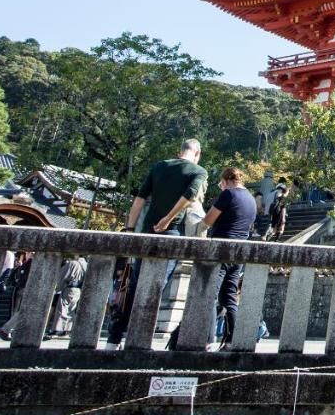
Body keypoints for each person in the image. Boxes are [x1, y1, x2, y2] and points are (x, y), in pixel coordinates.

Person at [105, 138, 208, 349]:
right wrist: (169, 219)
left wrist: (130, 230)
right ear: (197, 153)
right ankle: (140, 339)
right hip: (170, 233)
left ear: (180, 151)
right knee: (156, 286)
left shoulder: (160, 166)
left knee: (135, 285)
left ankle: (114, 339)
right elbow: (189, 197)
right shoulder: (198, 171)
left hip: (145, 231)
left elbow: (139, 199)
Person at [201, 167, 257, 348]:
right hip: (240, 252)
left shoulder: (229, 194)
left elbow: (208, 220)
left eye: (221, 183)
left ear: (225, 180)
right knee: (229, 297)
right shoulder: (251, 199)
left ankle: (207, 339)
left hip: (222, 249)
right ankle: (231, 340)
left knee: (210, 293)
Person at [46, 255, 88, 338]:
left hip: (69, 288)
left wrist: (57, 289)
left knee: (62, 308)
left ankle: (57, 330)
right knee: (71, 310)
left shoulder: (72, 263)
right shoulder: (86, 265)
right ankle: (67, 330)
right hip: (78, 290)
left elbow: (63, 277)